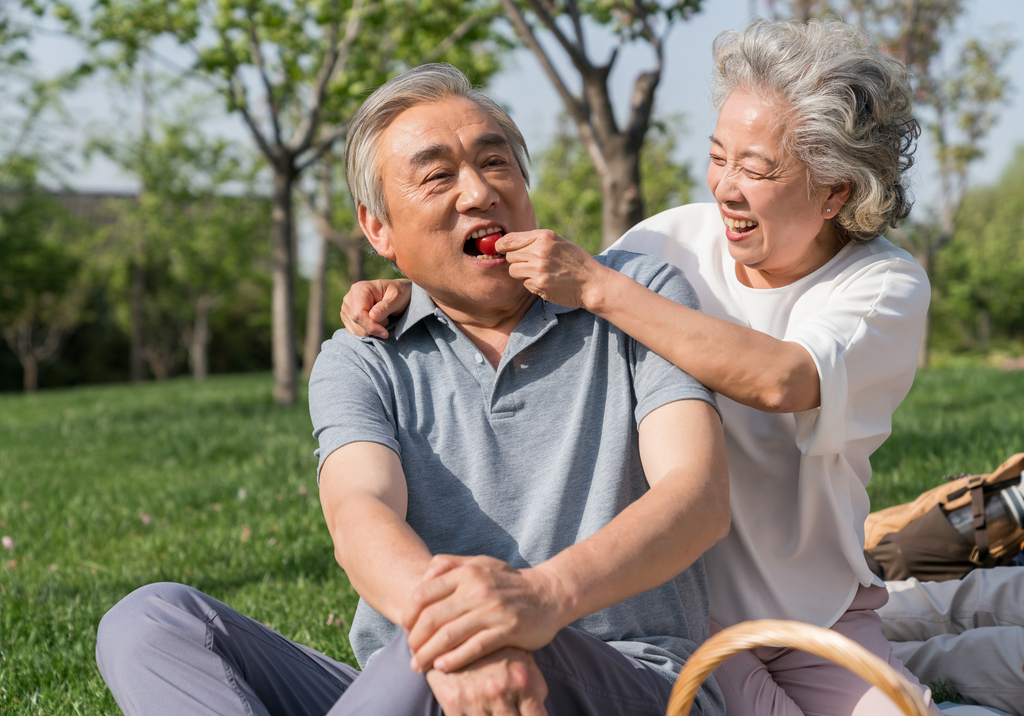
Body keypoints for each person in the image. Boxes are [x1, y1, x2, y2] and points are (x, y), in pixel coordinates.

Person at [340, 19, 947, 716]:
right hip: (692, 608)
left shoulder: (881, 287)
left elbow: (782, 378)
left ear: (834, 192)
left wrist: (600, 286)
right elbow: (525, 290)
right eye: (718, 156)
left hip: (814, 600)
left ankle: (951, 630)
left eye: (756, 168)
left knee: (911, 709)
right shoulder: (672, 240)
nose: (725, 188)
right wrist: (410, 292)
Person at [94, 64, 732, 716]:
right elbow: (359, 511)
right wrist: (468, 632)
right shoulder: (361, 356)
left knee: (436, 644)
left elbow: (699, 495)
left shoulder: (631, 297)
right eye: (437, 176)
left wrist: (538, 599)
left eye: (497, 163)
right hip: (415, 682)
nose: (479, 192)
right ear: (379, 231)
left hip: (632, 681)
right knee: (149, 622)